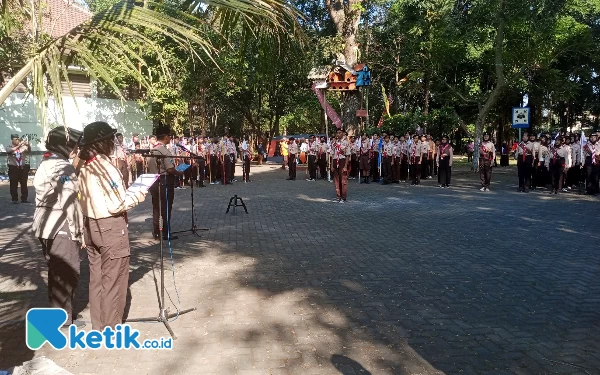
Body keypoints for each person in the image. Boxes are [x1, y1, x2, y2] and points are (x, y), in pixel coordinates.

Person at [78, 121, 147, 330]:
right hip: (110, 226)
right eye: (111, 139)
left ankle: (98, 324)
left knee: (97, 278)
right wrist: (138, 196)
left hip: (91, 224)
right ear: (103, 142)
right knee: (115, 278)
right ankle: (111, 328)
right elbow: (117, 204)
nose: (113, 143)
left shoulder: (85, 166)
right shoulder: (106, 167)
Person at [32, 126, 86, 328]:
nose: (75, 150)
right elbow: (70, 203)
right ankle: (62, 319)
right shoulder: (62, 166)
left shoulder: (47, 161)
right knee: (67, 273)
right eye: (73, 146)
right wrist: (79, 233)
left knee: (57, 272)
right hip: (60, 226)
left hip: (45, 225)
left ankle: (63, 314)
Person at [147, 125, 185, 240]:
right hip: (164, 182)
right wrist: (179, 173)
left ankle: (157, 232)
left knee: (156, 208)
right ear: (166, 137)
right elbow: (169, 169)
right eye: (169, 136)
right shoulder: (164, 150)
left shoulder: (152, 149)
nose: (170, 138)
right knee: (165, 209)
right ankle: (165, 233)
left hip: (153, 181)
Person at [6, 133, 32, 204]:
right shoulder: (9, 146)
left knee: (24, 183)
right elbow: (9, 151)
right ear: (12, 140)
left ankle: (24, 198)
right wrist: (19, 145)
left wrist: (28, 144)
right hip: (13, 168)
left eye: (18, 139)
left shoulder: (22, 147)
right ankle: (14, 199)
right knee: (13, 184)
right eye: (16, 139)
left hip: (22, 168)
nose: (18, 140)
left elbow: (29, 150)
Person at [331, 128, 351, 202]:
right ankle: (338, 196)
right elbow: (332, 154)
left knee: (343, 180)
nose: (338, 134)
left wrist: (345, 166)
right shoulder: (334, 143)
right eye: (337, 133)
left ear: (343, 134)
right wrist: (332, 165)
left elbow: (347, 155)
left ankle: (343, 197)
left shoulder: (346, 142)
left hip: (342, 161)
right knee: (336, 180)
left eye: (340, 133)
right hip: (336, 161)